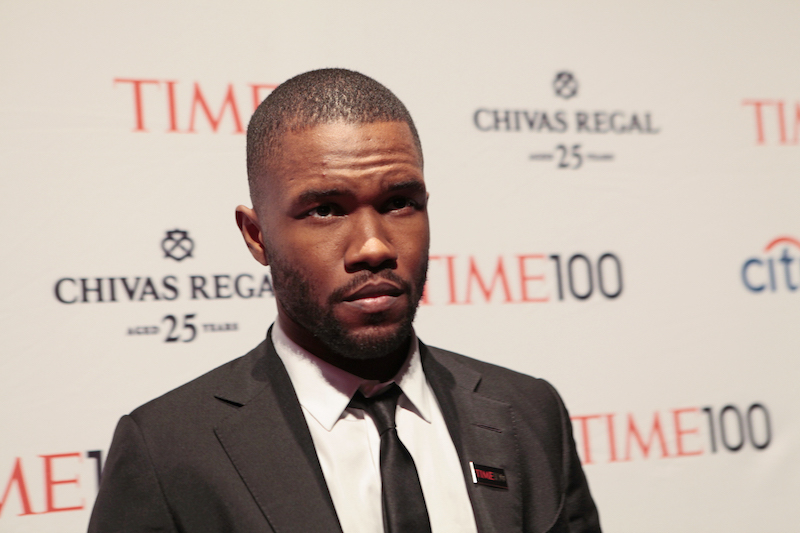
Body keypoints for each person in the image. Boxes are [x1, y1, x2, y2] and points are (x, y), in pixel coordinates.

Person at [88, 68, 601, 533]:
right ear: (256, 235)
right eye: (326, 210)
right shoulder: (167, 451)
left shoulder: (529, 412)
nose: (375, 246)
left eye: (399, 202)